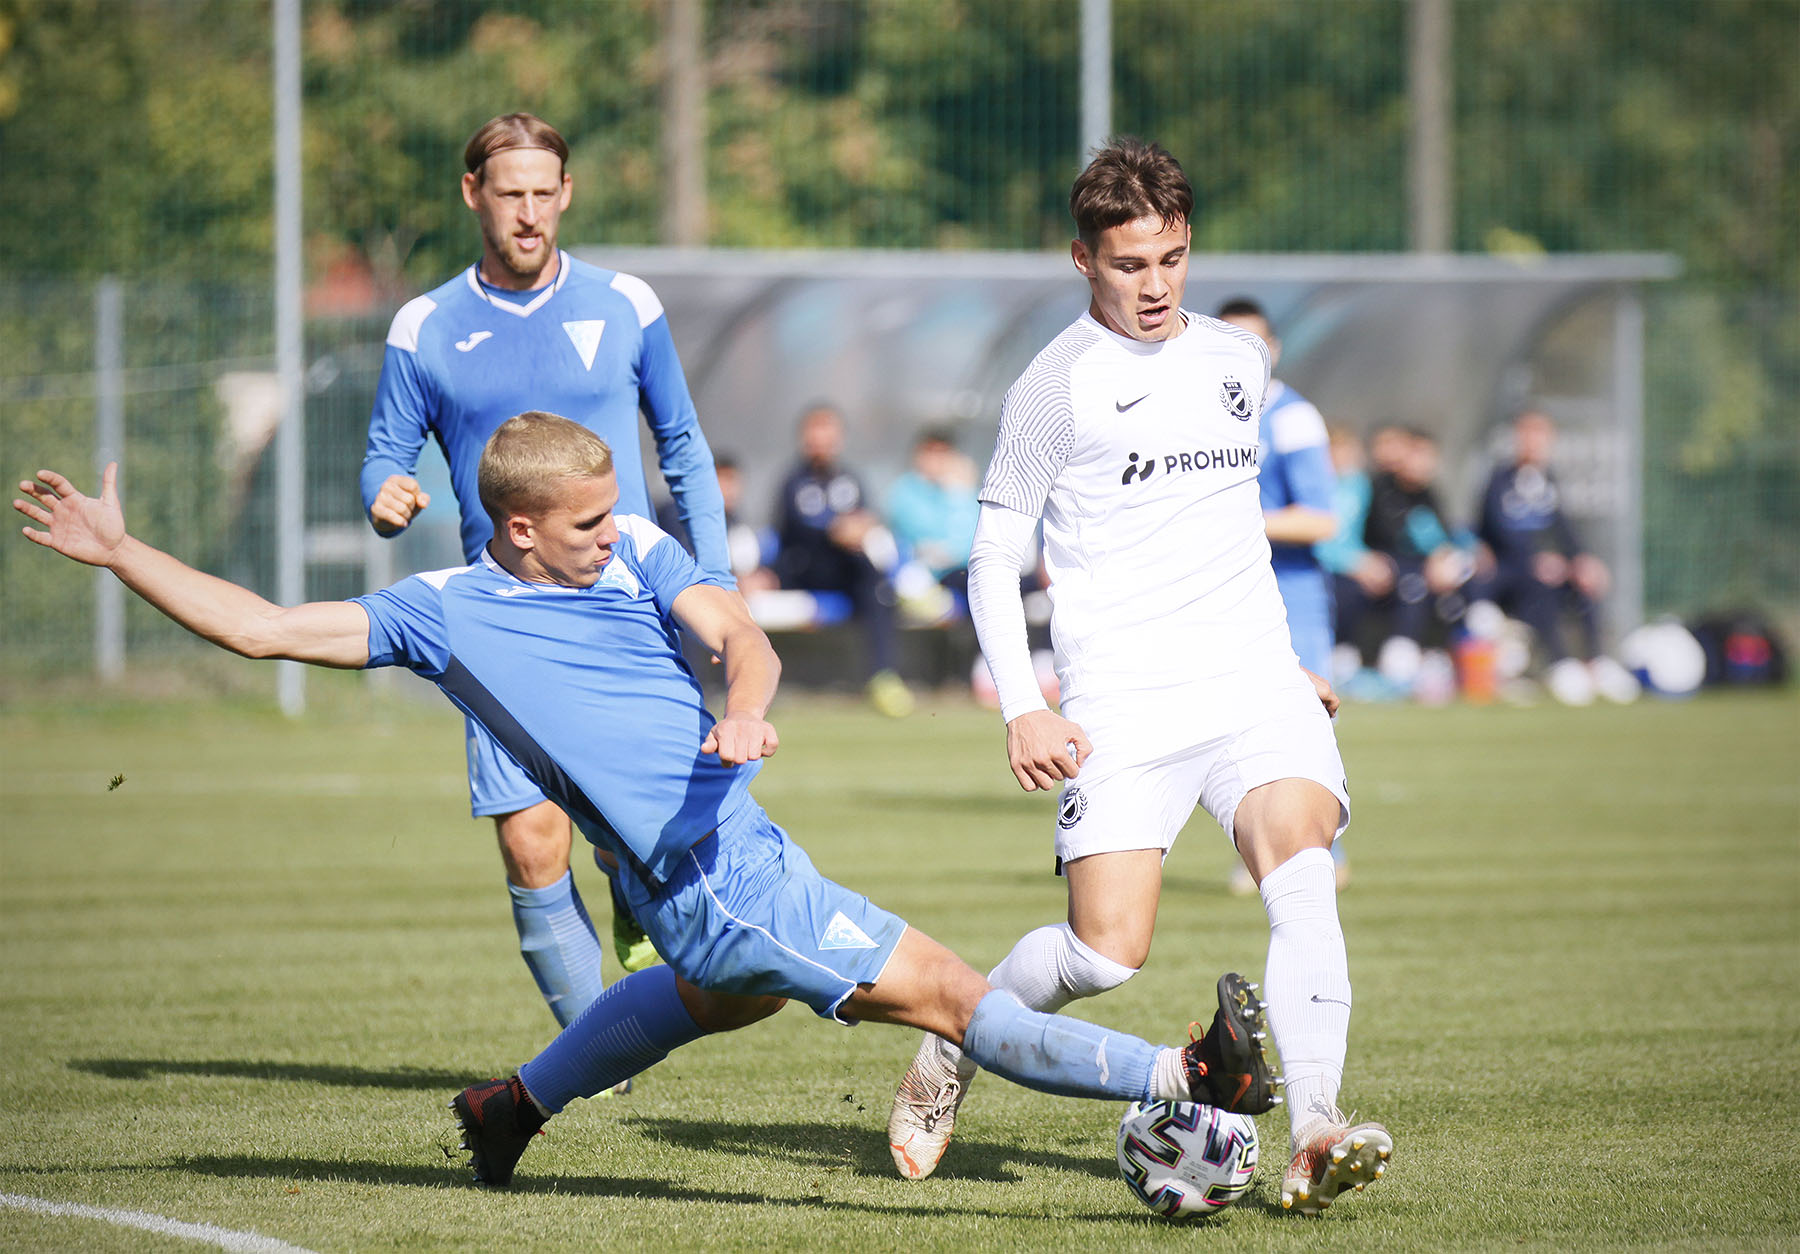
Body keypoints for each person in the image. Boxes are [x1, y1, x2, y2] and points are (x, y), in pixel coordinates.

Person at [14, 412, 1280, 1195]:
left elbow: (741, 635)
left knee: (712, 998)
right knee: (951, 993)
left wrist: (744, 704)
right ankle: (1189, 1074)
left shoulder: (630, 548)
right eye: (581, 523)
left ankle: (510, 1107)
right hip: (713, 881)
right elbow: (262, 627)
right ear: (517, 529)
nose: (609, 533)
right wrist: (119, 551)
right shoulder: (441, 614)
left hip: (725, 854)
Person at [884, 138, 1392, 1216]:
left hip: (1253, 683)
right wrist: (1025, 705)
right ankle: (955, 1039)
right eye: (1128, 264)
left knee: (1300, 869)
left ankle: (1314, 1128)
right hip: (1123, 701)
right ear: (1084, 259)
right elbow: (993, 557)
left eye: (1171, 258)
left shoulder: (1239, 362)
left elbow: (1226, 526)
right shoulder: (1053, 388)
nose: (1155, 285)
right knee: (1105, 953)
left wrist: (1283, 661)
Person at [360, 113, 734, 1030]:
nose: (528, 213)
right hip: (500, 619)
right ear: (473, 194)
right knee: (532, 845)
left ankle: (626, 882)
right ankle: (594, 1055)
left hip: (623, 606)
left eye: (543, 193)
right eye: (509, 194)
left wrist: (716, 580)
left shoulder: (625, 304)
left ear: (566, 192)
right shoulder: (425, 325)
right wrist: (384, 494)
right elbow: (383, 456)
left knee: (631, 835)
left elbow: (683, 445)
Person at [1213, 297, 1346, 892]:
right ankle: (1274, 856)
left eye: (1254, 344)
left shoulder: (1291, 417)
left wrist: (1234, 521)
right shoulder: (1201, 410)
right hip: (1223, 595)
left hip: (1289, 594)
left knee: (1300, 728)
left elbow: (1321, 518)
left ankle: (1317, 861)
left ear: (1274, 350)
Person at [1472, 409, 1637, 705]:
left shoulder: (1548, 480)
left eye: (1541, 434)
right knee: (1540, 585)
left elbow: (1563, 528)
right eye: (1528, 434)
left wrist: (1581, 560)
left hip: (1546, 566)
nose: (1534, 441)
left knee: (1583, 583)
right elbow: (1496, 530)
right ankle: (1561, 664)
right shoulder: (1500, 480)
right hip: (1510, 570)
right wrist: (1536, 558)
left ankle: (1597, 662)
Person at [770, 403, 914, 717]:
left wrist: (860, 528)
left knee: (876, 582)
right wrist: (836, 530)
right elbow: (794, 530)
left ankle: (884, 677)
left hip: (847, 569)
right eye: (815, 432)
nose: (821, 441)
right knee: (865, 569)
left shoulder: (850, 479)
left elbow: (866, 517)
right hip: (807, 568)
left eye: (828, 433)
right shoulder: (793, 482)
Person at [1361, 427, 1473, 695]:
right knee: (1414, 584)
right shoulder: (1381, 488)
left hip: (1426, 569)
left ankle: (1459, 657)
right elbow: (1390, 537)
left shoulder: (1429, 494)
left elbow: (1445, 536)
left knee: (1463, 585)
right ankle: (1402, 657)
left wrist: (1444, 557)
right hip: (1390, 566)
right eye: (1417, 455)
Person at [886, 426, 981, 614]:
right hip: (925, 578)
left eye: (943, 453)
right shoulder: (904, 491)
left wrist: (958, 494)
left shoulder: (961, 491)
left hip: (962, 571)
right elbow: (920, 534)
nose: (936, 460)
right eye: (931, 452)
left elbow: (976, 536)